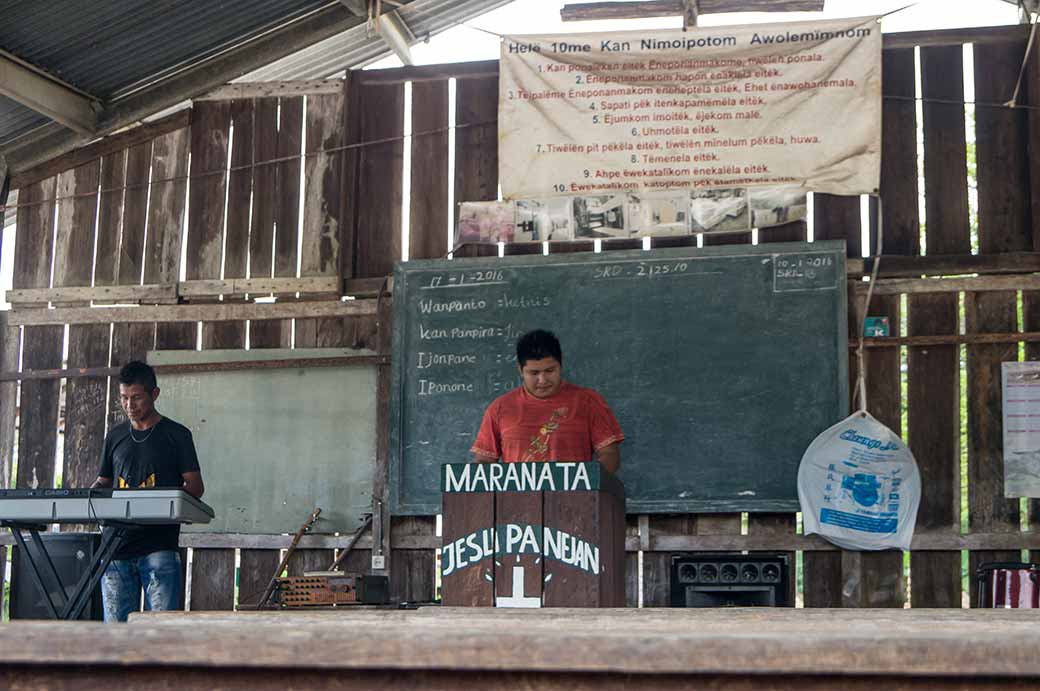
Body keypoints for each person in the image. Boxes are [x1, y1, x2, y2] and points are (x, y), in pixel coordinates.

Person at [91, 361, 204, 622]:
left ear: (155, 394)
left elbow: (195, 487)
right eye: (124, 398)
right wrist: (89, 496)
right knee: (116, 631)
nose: (129, 405)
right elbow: (103, 482)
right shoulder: (115, 436)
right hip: (115, 549)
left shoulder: (177, 435)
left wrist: (165, 503)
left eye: (137, 398)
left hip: (159, 546)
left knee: (160, 631)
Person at [471, 329, 624, 472]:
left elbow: (609, 454)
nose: (542, 380)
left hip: (576, 492)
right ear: (520, 370)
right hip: (517, 493)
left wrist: (589, 480)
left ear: (561, 365)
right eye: (534, 373)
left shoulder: (588, 401)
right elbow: (484, 461)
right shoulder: (499, 408)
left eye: (550, 371)